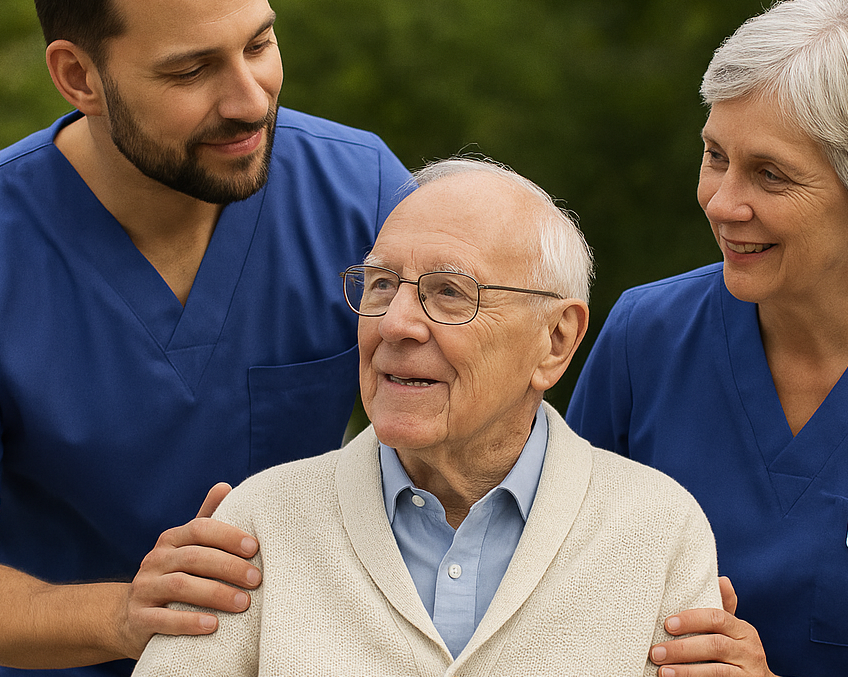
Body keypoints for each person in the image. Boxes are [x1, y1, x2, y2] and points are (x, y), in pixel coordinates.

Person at [0, 0, 410, 674]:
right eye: (190, 70)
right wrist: (125, 614)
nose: (250, 100)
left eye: (259, 44)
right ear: (79, 77)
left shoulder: (362, 192)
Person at [131, 158, 722, 676]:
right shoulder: (260, 522)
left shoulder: (660, 530)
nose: (395, 324)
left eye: (449, 292)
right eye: (381, 284)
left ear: (556, 340)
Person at [567, 0, 848, 677]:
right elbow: (560, 608)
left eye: (769, 175)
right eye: (715, 156)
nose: (721, 203)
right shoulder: (644, 336)